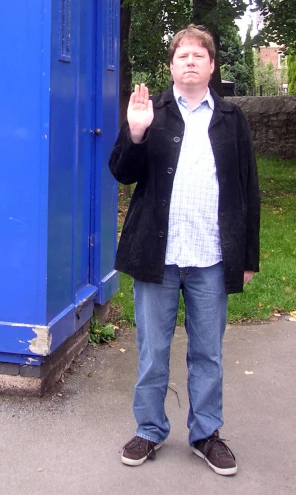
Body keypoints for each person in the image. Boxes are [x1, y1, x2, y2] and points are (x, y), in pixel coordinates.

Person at [109, 24, 260, 477]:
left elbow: (248, 190)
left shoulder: (232, 117)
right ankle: (150, 429)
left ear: (212, 66)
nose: (190, 61)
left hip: (211, 257)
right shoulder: (149, 110)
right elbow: (121, 172)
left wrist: (248, 256)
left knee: (208, 352)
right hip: (158, 256)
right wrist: (135, 134)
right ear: (171, 66)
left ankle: (205, 433)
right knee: (152, 351)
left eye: (199, 55)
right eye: (182, 56)